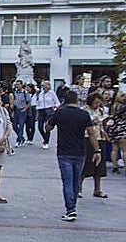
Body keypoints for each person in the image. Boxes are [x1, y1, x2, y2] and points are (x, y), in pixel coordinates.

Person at [46, 88, 101, 221]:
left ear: (65, 100)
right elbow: (91, 133)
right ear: (77, 100)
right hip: (80, 151)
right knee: (76, 181)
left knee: (67, 181)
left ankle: (70, 209)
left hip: (64, 151)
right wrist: (97, 150)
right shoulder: (84, 114)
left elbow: (48, 127)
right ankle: (73, 206)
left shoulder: (60, 113)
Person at [81, 90, 109, 199]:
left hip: (99, 137)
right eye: (96, 102)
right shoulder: (84, 111)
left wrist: (105, 132)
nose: (97, 105)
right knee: (87, 162)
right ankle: (79, 188)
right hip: (88, 138)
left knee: (99, 165)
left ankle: (97, 189)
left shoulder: (101, 111)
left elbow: (103, 123)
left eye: (99, 103)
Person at [35, 80, 60, 149]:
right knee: (40, 127)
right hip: (41, 110)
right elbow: (38, 103)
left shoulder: (52, 93)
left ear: (48, 86)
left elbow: (57, 102)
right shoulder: (41, 93)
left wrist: (54, 107)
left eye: (44, 85)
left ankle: (46, 142)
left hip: (49, 110)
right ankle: (45, 138)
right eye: (42, 86)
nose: (43, 87)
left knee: (47, 126)